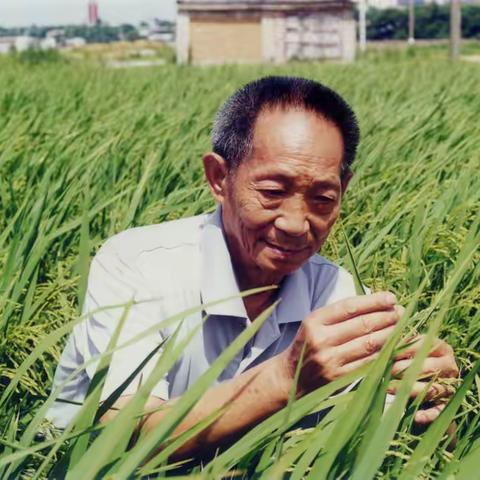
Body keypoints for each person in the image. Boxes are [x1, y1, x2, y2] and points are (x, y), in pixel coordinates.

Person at [47, 76, 458, 459]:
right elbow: (124, 433)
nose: (296, 224)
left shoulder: (335, 290)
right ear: (219, 177)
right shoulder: (136, 265)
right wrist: (286, 378)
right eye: (273, 192)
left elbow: (383, 436)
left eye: (323, 198)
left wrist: (431, 404)